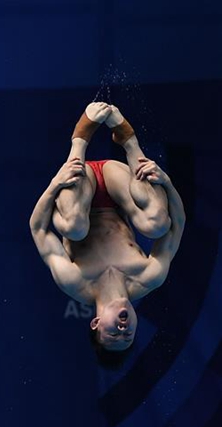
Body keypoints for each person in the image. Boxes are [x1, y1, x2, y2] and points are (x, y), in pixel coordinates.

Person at [29, 102, 185, 365]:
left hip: (79, 188)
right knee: (157, 224)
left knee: (74, 228)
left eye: (113, 334)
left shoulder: (74, 281)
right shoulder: (149, 277)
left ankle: (79, 139)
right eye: (128, 335)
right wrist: (166, 181)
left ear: (96, 323)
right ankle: (128, 140)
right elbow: (178, 223)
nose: (123, 329)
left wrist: (55, 184)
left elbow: (38, 229)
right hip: (118, 186)